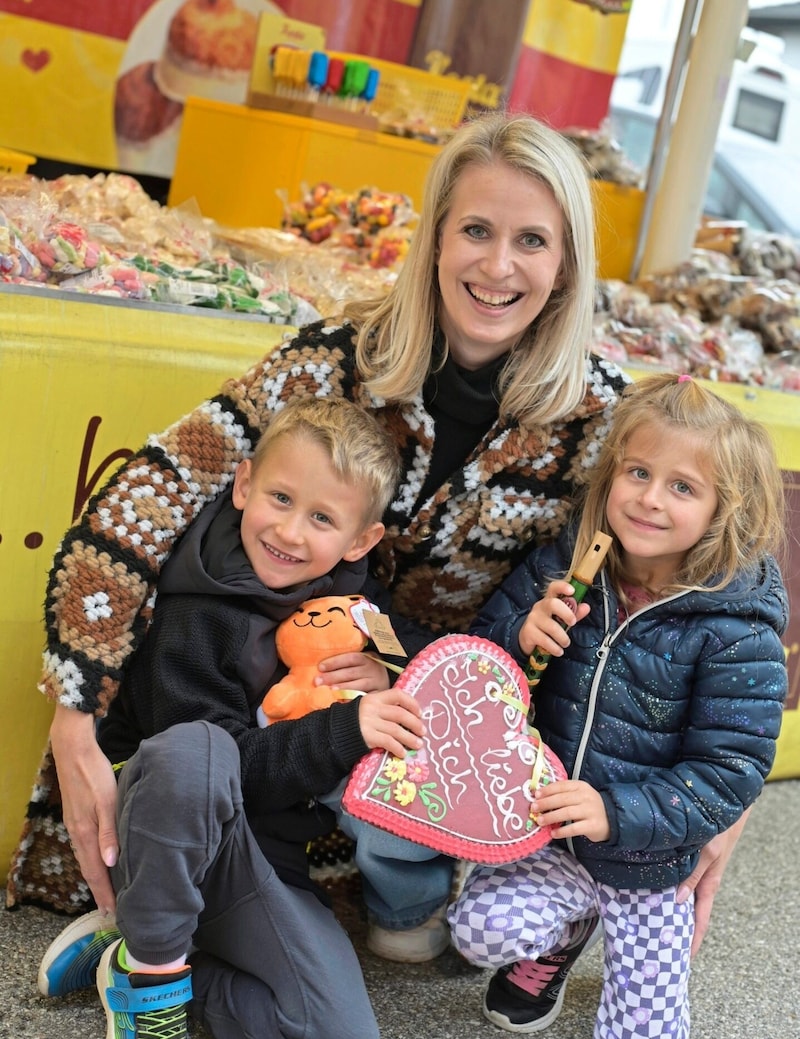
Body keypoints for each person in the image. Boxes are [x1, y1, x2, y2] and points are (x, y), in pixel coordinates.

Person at [26, 111, 736, 983]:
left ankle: (190, 933)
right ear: (435, 236)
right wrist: (74, 707)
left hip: (410, 738)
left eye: (531, 241)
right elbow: (152, 492)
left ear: (565, 268)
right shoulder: (333, 358)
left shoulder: (597, 421)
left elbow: (716, 572)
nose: (497, 265)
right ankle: (163, 914)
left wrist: (716, 804)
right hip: (228, 695)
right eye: (475, 229)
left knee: (325, 981)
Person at [39, 395, 429, 1039]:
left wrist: (388, 670)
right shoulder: (194, 613)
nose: (291, 530)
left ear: (360, 540)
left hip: (263, 862)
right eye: (280, 497)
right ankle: (150, 992)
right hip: (164, 839)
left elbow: (418, 659)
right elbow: (223, 771)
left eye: (323, 518)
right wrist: (347, 726)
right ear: (243, 484)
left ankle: (139, 953)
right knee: (201, 750)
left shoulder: (354, 602)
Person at [449, 373, 788, 1039]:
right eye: (637, 471)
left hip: (651, 861)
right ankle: (567, 928)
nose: (649, 498)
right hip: (549, 836)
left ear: (727, 510)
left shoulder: (736, 627)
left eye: (683, 487)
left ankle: (620, 945)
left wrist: (616, 811)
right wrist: (520, 634)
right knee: (477, 930)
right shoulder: (568, 562)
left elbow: (731, 773)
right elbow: (479, 669)